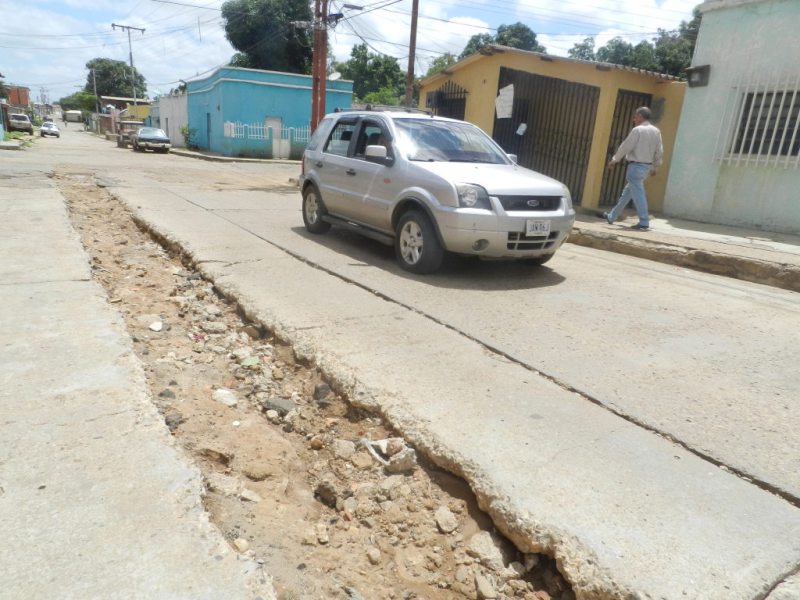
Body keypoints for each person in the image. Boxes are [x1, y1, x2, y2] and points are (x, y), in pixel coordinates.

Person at [600, 106, 663, 231]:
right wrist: (655, 166)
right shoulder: (656, 131)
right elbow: (659, 150)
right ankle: (612, 216)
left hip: (635, 167)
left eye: (635, 116)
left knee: (638, 194)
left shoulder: (638, 130)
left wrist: (614, 159)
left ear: (640, 116)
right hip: (646, 167)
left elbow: (626, 146)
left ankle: (644, 222)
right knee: (627, 193)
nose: (634, 118)